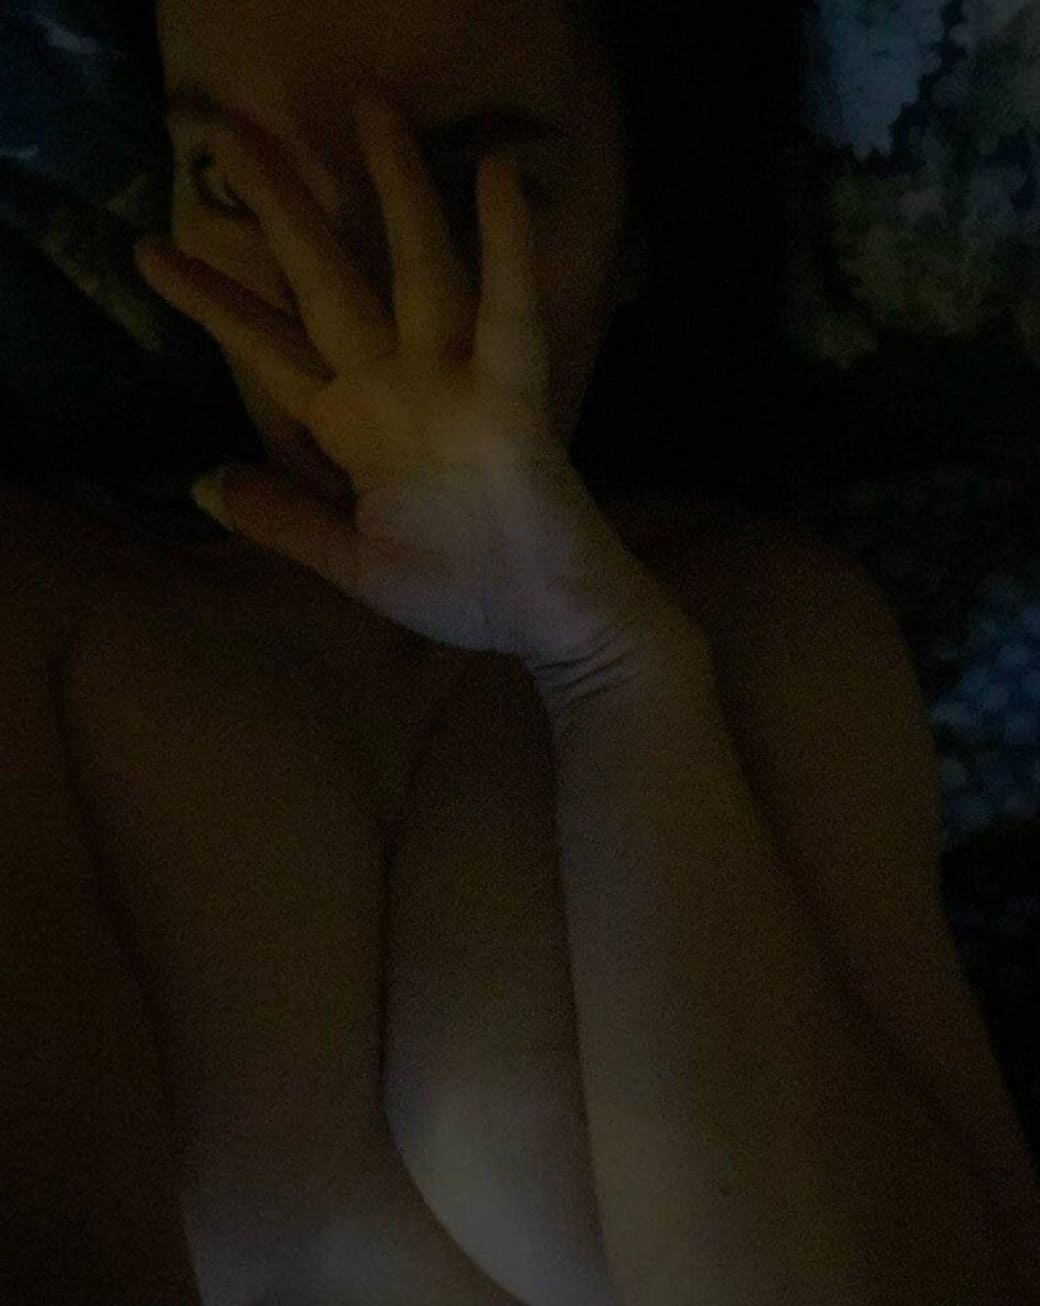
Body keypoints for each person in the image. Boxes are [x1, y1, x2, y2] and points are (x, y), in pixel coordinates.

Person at [3, 0, 1039, 1303]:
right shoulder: (49, 617)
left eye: (463, 188)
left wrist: (602, 662)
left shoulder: (748, 628)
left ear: (636, 228)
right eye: (232, 182)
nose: (338, 281)